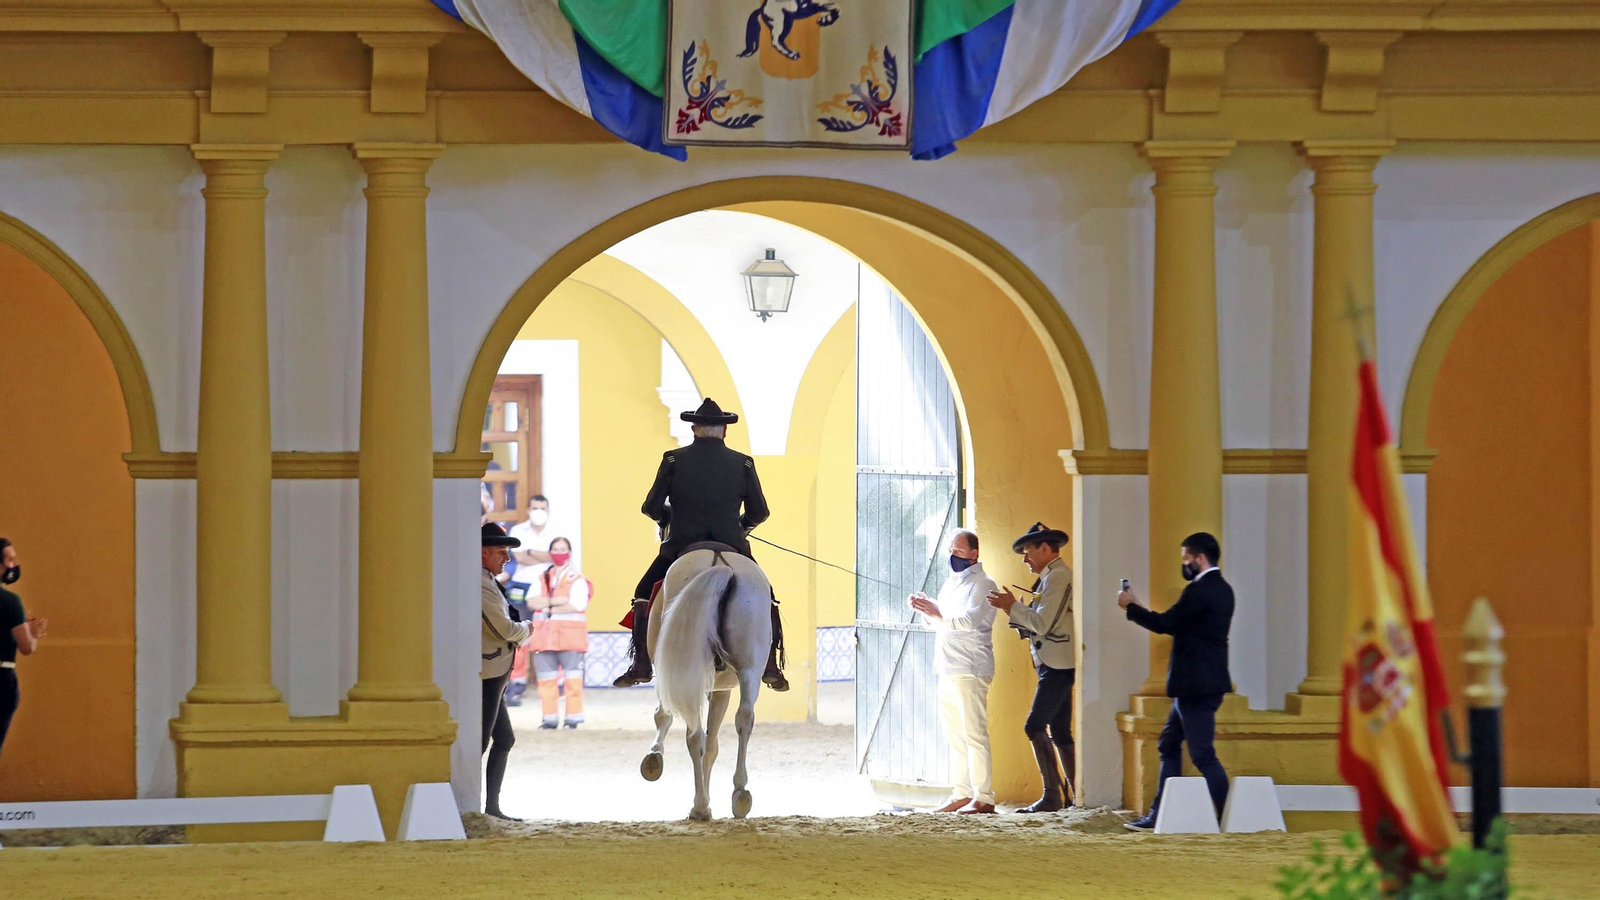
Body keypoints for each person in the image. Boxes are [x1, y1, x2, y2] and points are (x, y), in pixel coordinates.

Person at [612, 398, 788, 691]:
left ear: (694, 429)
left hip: (681, 542)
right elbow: (761, 513)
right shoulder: (743, 462)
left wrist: (666, 519)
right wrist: (741, 528)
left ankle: (641, 663)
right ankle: (770, 664)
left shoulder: (673, 459)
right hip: (732, 543)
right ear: (724, 431)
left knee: (643, 591)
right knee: (766, 595)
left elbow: (651, 506)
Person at [1117, 531, 1235, 832]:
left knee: (1202, 754)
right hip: (1202, 684)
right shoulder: (1224, 589)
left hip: (1194, 687)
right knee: (1169, 744)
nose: (1184, 564)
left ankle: (1228, 816)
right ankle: (1160, 814)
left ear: (1199, 557)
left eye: (1186, 559)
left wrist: (1130, 606)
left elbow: (1165, 624)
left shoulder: (1199, 590)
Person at [986, 522, 1076, 813]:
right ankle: (1075, 795)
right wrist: (1015, 609)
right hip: (1053, 661)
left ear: (1046, 548)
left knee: (1034, 725)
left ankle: (1053, 796)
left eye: (1028, 552)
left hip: (1057, 664)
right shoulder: (1051, 578)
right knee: (1060, 731)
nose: (1025, 559)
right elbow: (1041, 625)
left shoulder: (1058, 577)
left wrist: (1012, 606)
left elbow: (1041, 624)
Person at [910, 529, 998, 815]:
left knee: (975, 734)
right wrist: (925, 609)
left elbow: (970, 621)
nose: (953, 556)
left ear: (974, 553)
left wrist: (937, 612)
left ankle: (984, 796)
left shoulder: (984, 583)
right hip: (947, 667)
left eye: (959, 551)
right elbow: (940, 623)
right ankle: (961, 793)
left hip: (970, 667)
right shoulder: (951, 583)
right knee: (955, 736)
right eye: (951, 550)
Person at [480, 522, 531, 820]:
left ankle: (492, 807)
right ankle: (474, 803)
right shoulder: (482, 582)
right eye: (502, 552)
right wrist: (526, 630)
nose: (507, 559)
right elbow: (503, 628)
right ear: (484, 552)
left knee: (503, 738)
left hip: (495, 668)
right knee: (483, 741)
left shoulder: (486, 580)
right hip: (488, 669)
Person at [528, 536, 589, 729]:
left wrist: (546, 604)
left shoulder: (578, 580)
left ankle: (573, 718)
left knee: (573, 680)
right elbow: (531, 601)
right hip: (544, 639)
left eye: (563, 549)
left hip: (570, 639)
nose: (559, 553)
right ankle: (550, 719)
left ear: (569, 553)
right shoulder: (542, 577)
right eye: (555, 549)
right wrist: (560, 600)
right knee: (546, 680)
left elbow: (577, 604)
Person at [0, 538, 47, 759]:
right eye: (10, 559)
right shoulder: (10, 602)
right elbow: (26, 647)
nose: (13, 565)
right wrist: (34, 634)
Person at [508, 495, 559, 594]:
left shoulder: (557, 532)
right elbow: (521, 558)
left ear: (548, 511)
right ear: (528, 511)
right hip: (522, 582)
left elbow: (556, 557)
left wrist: (530, 552)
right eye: (535, 508)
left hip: (549, 583)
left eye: (543, 509)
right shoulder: (517, 530)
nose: (539, 512)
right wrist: (546, 556)